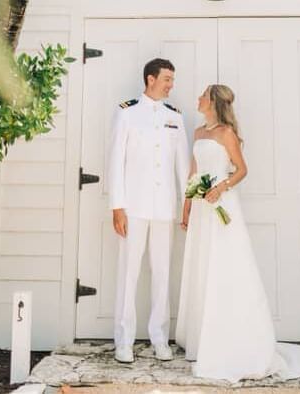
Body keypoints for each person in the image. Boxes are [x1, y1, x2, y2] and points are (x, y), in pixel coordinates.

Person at [175, 85, 300, 382]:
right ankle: (202, 337)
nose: (197, 98)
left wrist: (221, 187)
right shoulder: (198, 133)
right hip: (200, 208)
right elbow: (192, 174)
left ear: (212, 102)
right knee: (202, 267)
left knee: (226, 267)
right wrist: (186, 208)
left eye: (202, 95)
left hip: (222, 206)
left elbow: (242, 169)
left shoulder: (226, 133)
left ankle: (234, 340)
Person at [108, 58, 189, 363]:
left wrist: (186, 206)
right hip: (134, 207)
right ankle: (124, 340)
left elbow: (183, 166)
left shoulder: (175, 118)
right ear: (151, 79)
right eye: (167, 78)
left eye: (172, 79)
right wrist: (117, 206)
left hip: (164, 208)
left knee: (162, 273)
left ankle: (159, 338)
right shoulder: (127, 112)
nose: (171, 84)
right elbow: (115, 160)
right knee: (128, 273)